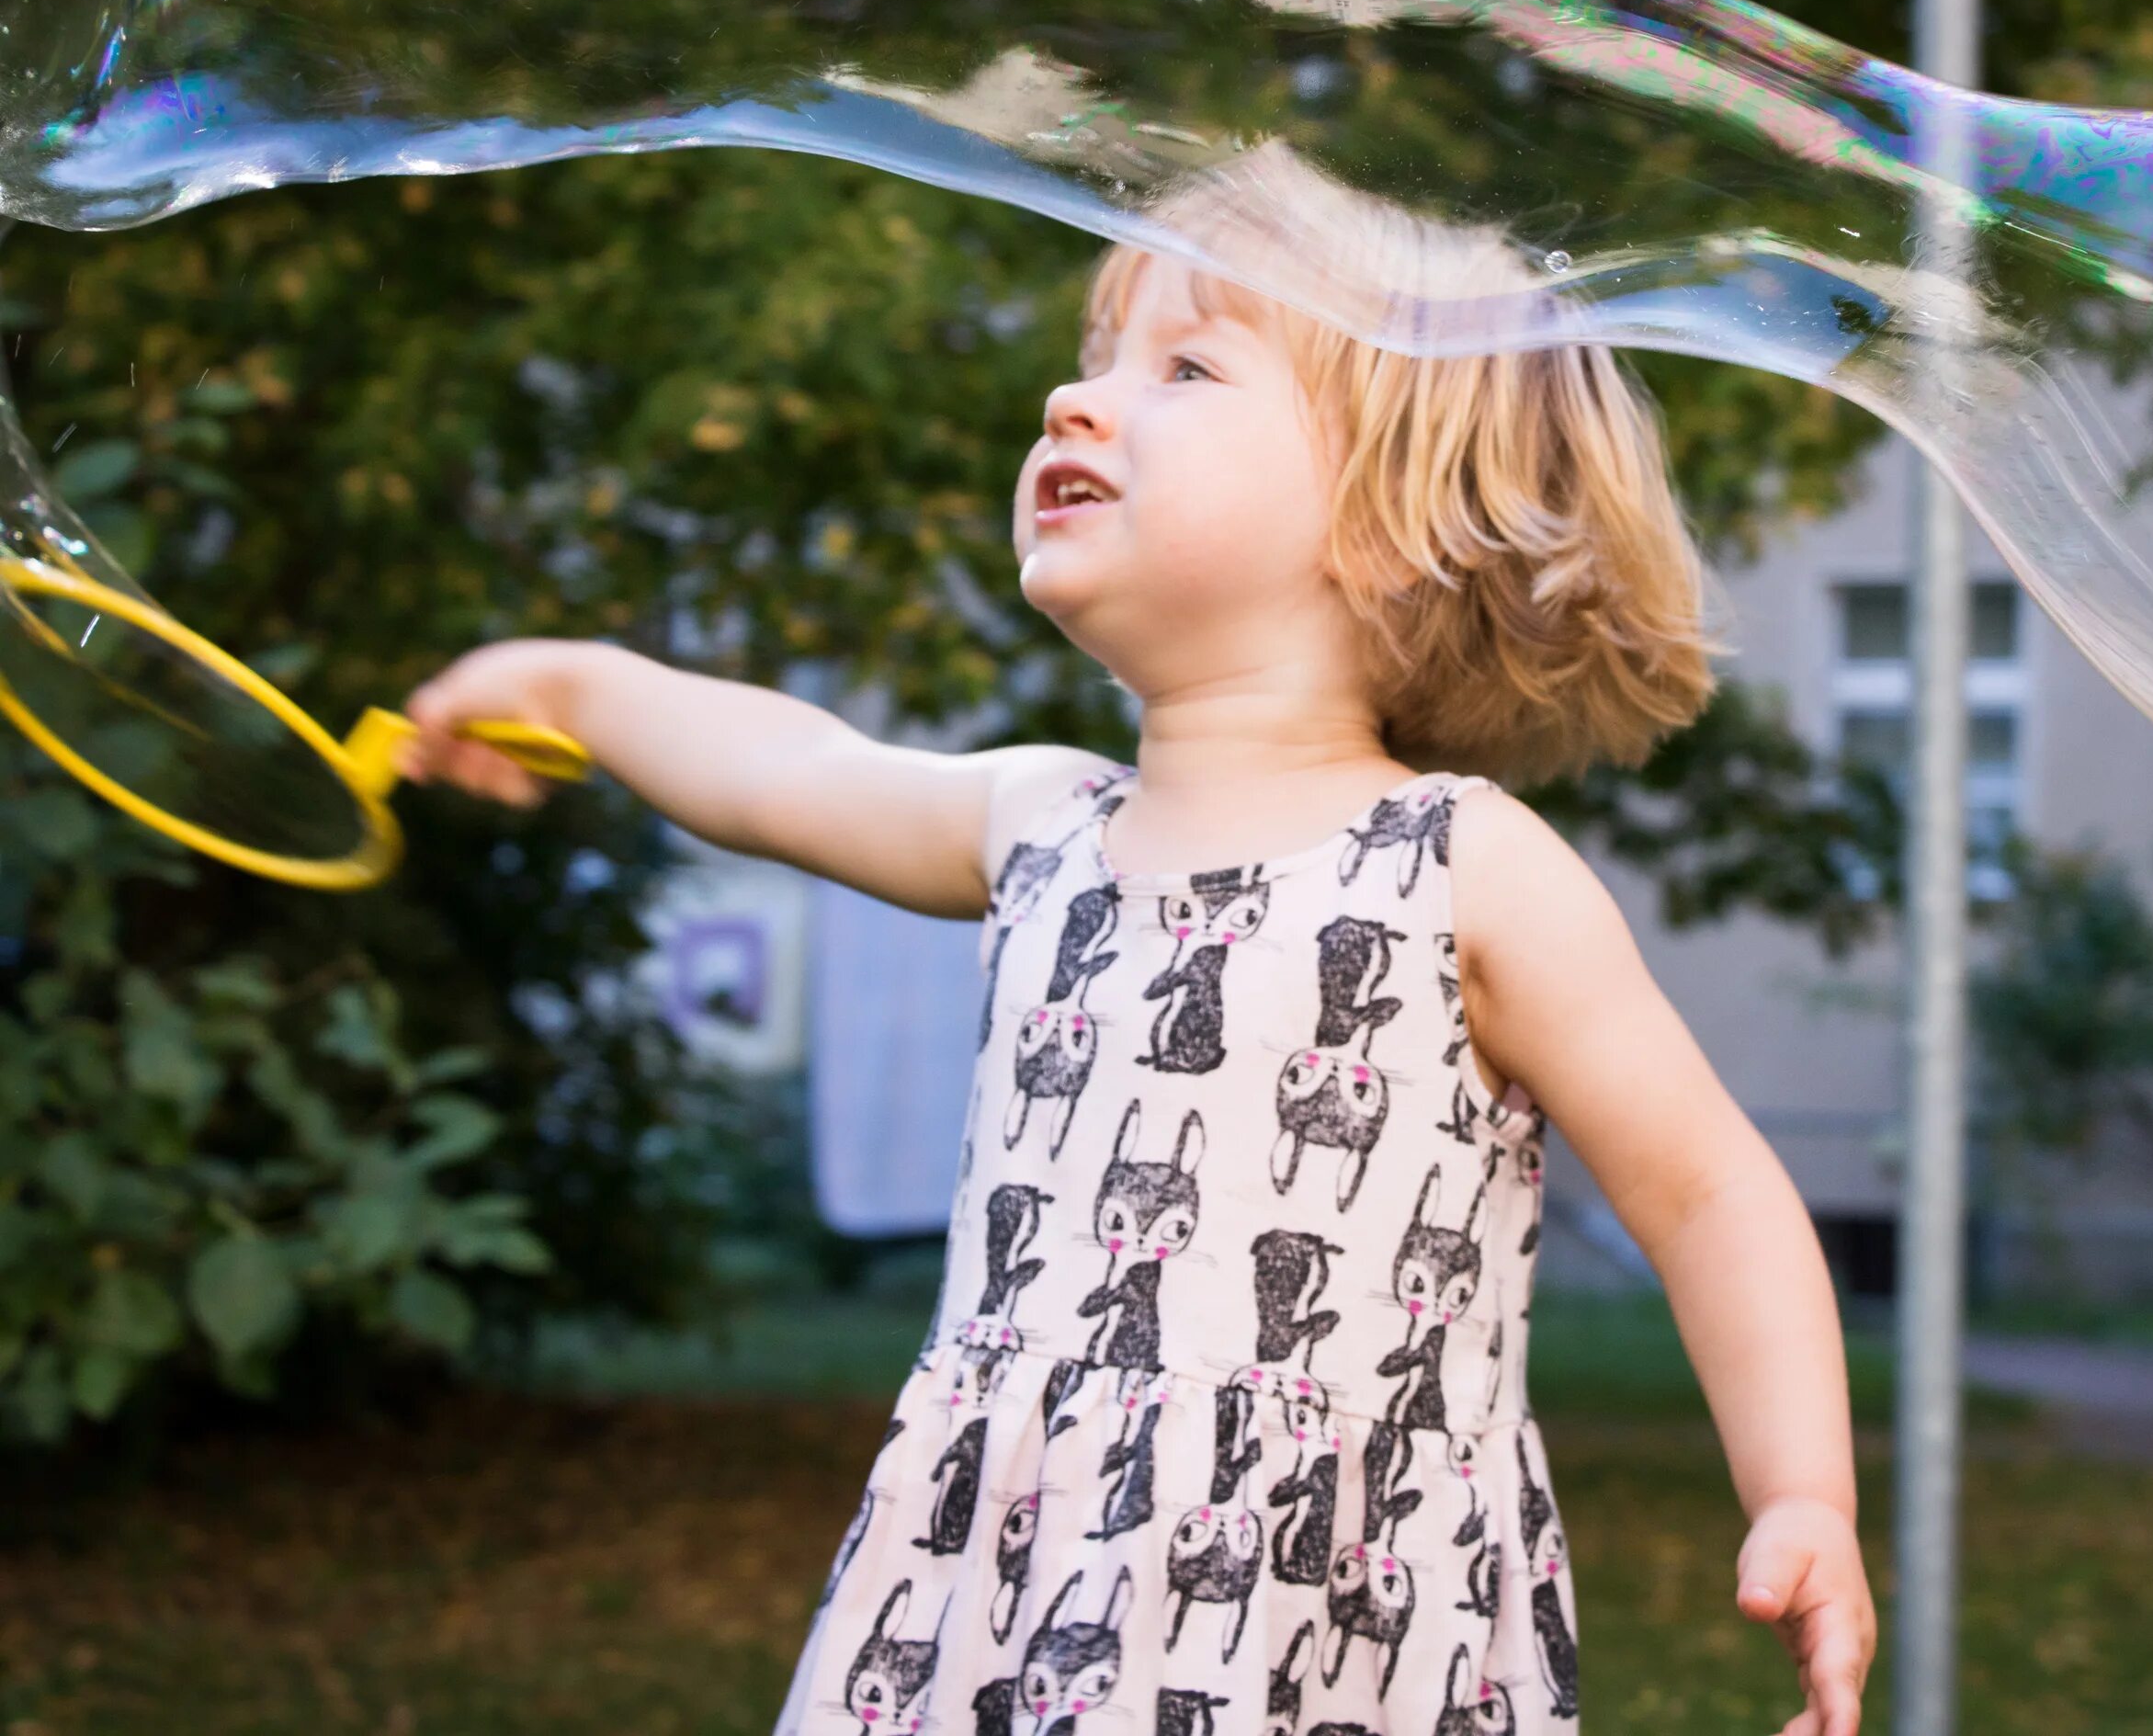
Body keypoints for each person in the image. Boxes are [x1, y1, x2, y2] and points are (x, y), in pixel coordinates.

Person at [402, 142, 1874, 1736]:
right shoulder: (1038, 825)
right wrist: (571, 688)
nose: (1074, 400)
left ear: (1389, 518)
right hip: (1002, 1585)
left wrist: (1802, 1490)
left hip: (1324, 1610)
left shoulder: (1462, 868)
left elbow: (1709, 1189)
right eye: (1097, 355)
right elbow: (790, 772)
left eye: (1183, 366)